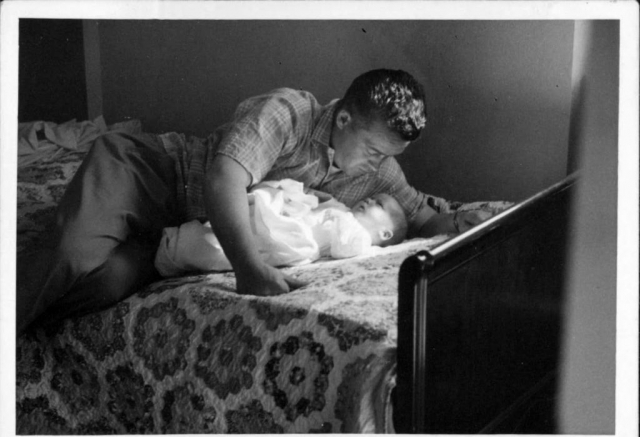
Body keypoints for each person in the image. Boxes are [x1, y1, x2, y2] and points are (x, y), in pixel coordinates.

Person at [16, 68, 491, 333]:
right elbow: (223, 178)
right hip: (148, 173)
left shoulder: (374, 171)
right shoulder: (289, 111)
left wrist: (474, 226)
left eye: (387, 158)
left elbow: (423, 215)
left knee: (104, 285)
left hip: (179, 232)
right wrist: (249, 268)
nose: (378, 166)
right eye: (373, 151)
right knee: (70, 257)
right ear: (344, 119)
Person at [154, 179, 408, 276]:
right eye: (372, 197)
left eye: (379, 205)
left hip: (291, 241)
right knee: (244, 217)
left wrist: (340, 217)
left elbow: (344, 248)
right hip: (288, 220)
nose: (369, 200)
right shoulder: (343, 208)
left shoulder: (361, 239)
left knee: (219, 250)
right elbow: (320, 201)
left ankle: (173, 250)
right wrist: (307, 197)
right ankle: (176, 240)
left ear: (384, 233)